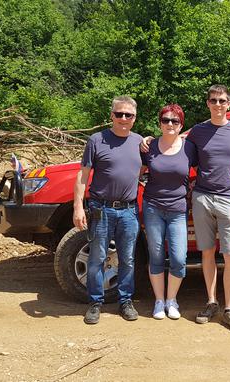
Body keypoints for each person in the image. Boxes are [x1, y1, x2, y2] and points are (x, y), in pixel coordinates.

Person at [73, 96, 143, 325]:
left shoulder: (140, 142)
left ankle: (125, 301)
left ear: (134, 118)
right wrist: (78, 208)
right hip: (101, 209)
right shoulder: (97, 140)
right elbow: (82, 175)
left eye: (128, 115)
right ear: (111, 115)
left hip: (129, 211)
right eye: (119, 114)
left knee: (128, 259)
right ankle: (95, 302)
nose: (123, 119)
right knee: (97, 259)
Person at [189, 84, 230, 332]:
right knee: (206, 252)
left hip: (229, 199)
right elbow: (178, 149)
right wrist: (148, 140)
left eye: (222, 100)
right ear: (208, 104)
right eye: (213, 100)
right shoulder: (197, 131)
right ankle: (212, 302)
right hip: (202, 198)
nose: (217, 104)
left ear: (229, 104)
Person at [141, 104, 197, 320]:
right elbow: (135, 169)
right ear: (160, 123)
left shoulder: (189, 148)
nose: (170, 124)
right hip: (153, 207)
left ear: (181, 124)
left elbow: (204, 170)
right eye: (166, 120)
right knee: (155, 254)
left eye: (175, 121)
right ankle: (159, 301)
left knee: (179, 257)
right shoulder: (149, 147)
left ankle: (172, 300)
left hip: (178, 209)